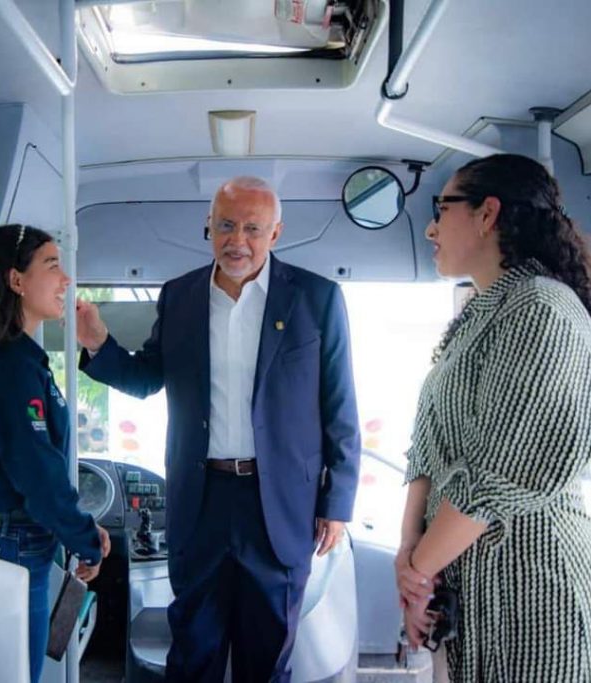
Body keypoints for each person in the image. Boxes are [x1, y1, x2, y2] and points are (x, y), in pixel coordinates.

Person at [76, 176, 361, 682]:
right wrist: (99, 343)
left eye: (253, 229)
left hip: (279, 507)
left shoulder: (316, 299)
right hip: (201, 499)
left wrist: (336, 503)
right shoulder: (180, 296)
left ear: (275, 233)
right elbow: (147, 378)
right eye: (226, 226)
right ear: (208, 225)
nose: (238, 241)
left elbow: (340, 406)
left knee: (267, 659)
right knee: (192, 653)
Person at [396, 154, 591, 682]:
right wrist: (408, 554)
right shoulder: (480, 313)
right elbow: (427, 448)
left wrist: (419, 571)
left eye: (441, 208)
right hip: (473, 591)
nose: (430, 228)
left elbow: (499, 473)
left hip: (538, 592)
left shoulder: (542, 309)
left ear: (486, 213)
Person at [0, 224, 110, 683]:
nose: (65, 279)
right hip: (10, 548)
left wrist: (78, 530)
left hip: (14, 543)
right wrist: (85, 538)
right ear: (17, 280)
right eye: (52, 266)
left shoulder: (19, 360)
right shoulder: (12, 367)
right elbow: (38, 474)